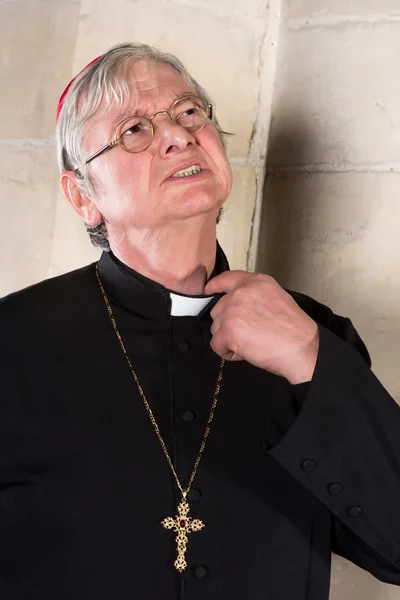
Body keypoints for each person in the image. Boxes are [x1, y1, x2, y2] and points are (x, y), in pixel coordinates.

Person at [0, 42, 399, 600]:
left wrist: (311, 361)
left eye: (190, 112)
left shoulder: (315, 334)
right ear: (82, 195)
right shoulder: (14, 340)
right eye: (135, 129)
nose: (179, 135)